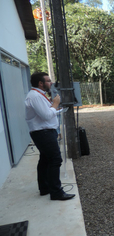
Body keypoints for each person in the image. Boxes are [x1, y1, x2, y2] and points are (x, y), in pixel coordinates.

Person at [25, 72, 75, 201]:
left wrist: (57, 109)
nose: (51, 83)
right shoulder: (35, 96)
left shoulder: (38, 95)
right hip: (43, 133)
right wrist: (56, 104)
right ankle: (56, 192)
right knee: (55, 160)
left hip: (45, 132)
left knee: (45, 160)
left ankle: (45, 188)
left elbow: (47, 113)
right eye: (48, 81)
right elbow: (46, 115)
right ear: (40, 83)